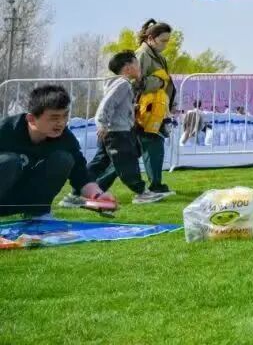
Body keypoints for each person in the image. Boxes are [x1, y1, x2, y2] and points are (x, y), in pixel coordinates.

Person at [61, 52, 166, 207]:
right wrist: (102, 124)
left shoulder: (120, 84)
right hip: (117, 133)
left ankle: (74, 195)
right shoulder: (122, 84)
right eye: (137, 64)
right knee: (127, 162)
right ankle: (141, 193)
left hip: (113, 131)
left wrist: (132, 108)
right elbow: (106, 105)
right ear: (128, 67)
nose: (140, 67)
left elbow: (116, 106)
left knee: (98, 164)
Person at [0, 85, 114, 217]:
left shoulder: (65, 139)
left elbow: (82, 176)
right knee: (10, 161)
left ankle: (38, 213)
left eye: (65, 116)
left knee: (64, 159)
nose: (61, 123)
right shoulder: (5, 131)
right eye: (54, 118)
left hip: (26, 199)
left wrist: (98, 196)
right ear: (31, 119)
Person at [134, 19, 176, 196]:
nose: (166, 44)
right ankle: (155, 186)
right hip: (144, 111)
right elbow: (135, 82)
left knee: (135, 152)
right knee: (150, 147)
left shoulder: (158, 56)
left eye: (167, 41)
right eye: (163, 40)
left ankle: (156, 185)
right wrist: (159, 81)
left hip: (156, 110)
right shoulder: (141, 55)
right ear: (151, 38)